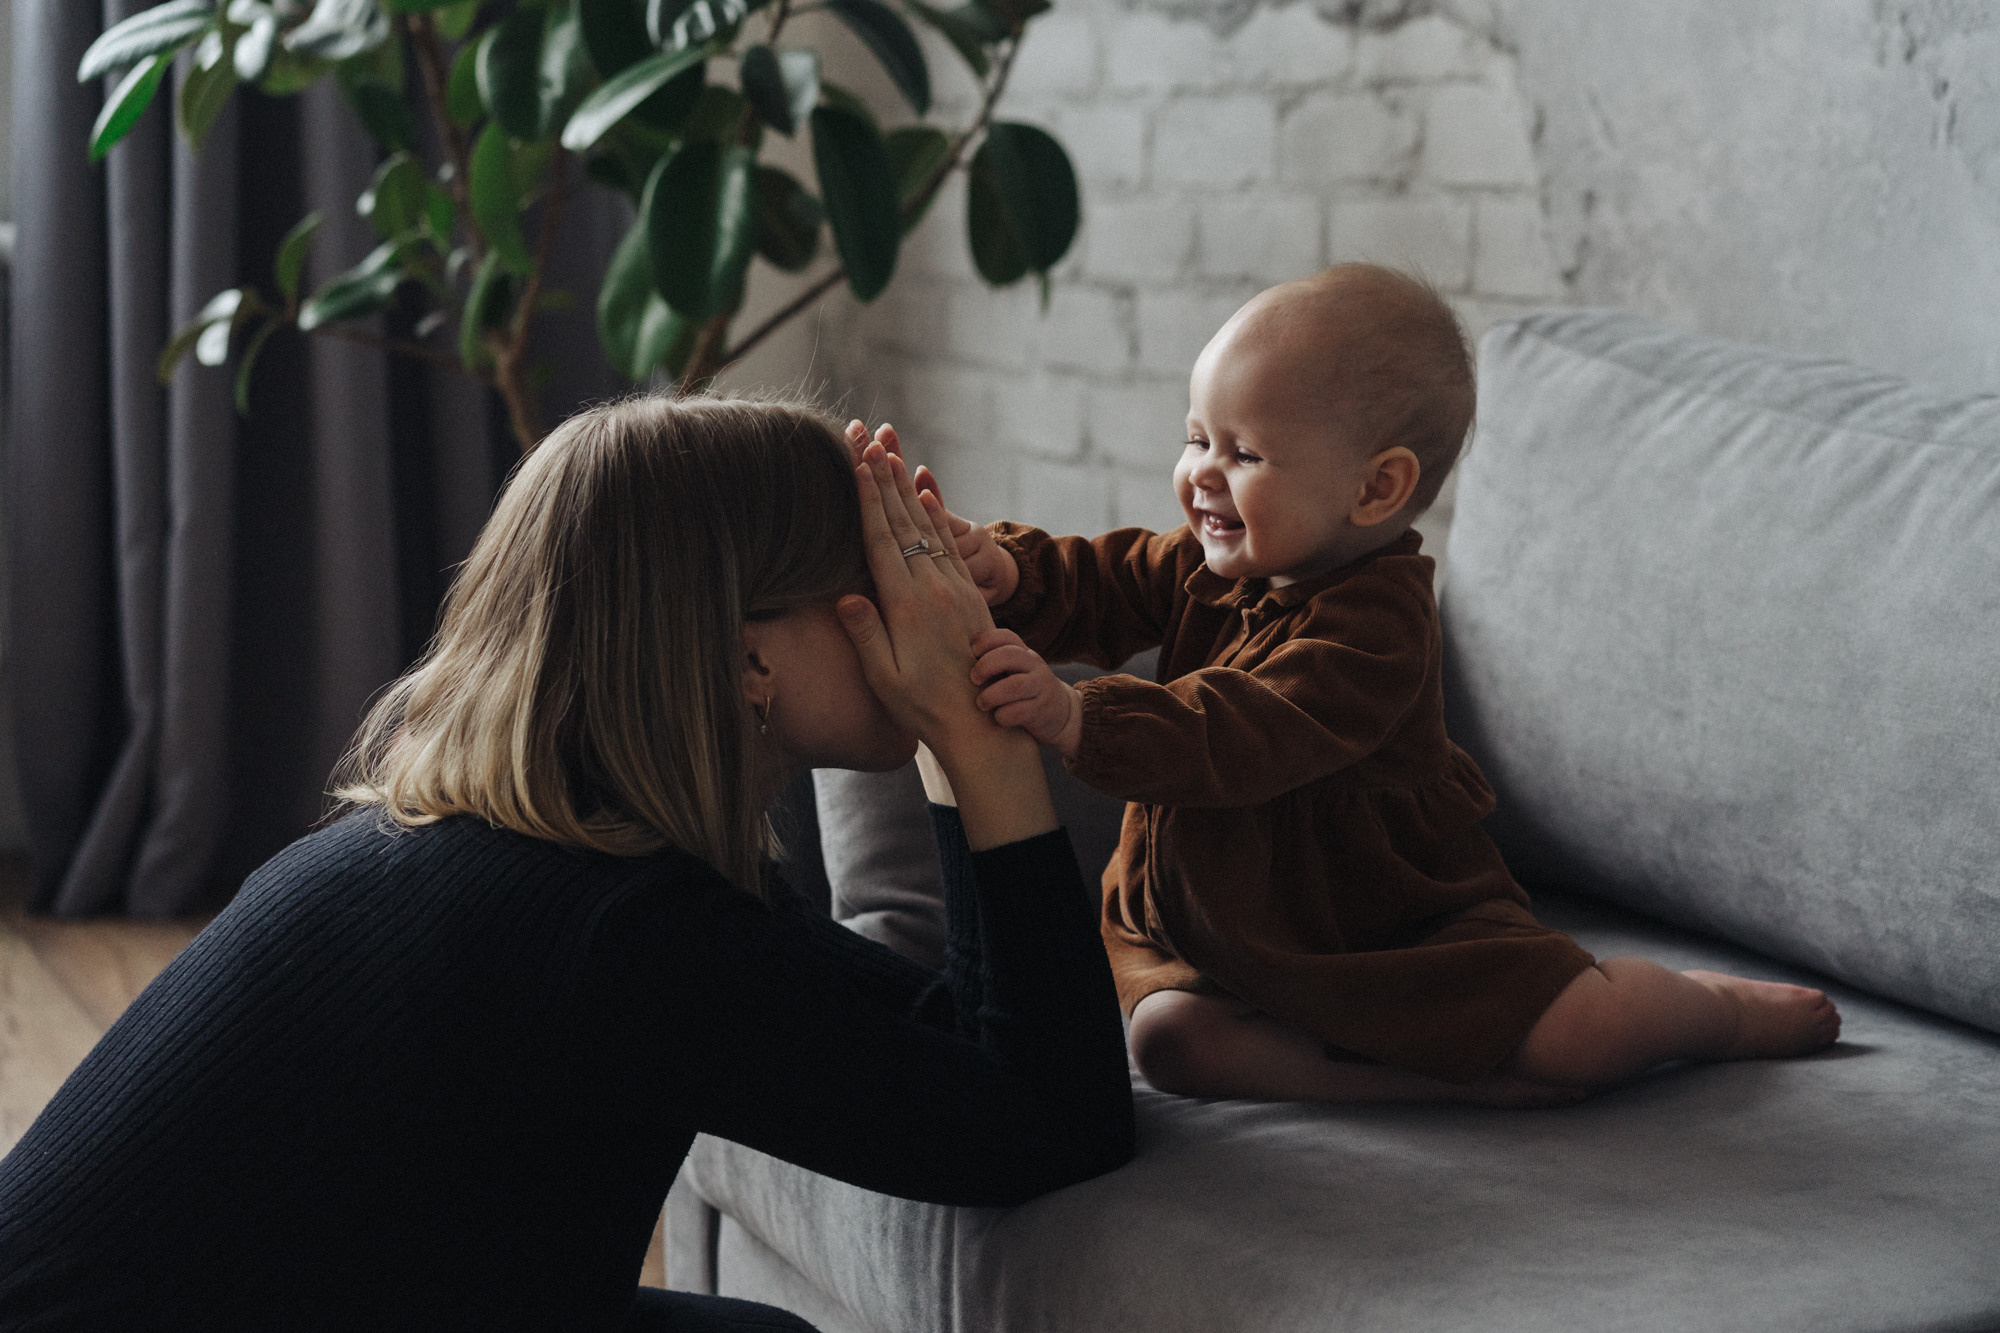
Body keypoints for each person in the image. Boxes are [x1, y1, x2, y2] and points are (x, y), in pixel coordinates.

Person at [0, 396, 1134, 1331]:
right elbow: (1050, 1123)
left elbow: (949, 1043)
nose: (926, 612)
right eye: (887, 582)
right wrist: (974, 740)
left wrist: (954, 718)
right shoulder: (622, 935)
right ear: (748, 658)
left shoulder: (534, 856)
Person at [915, 263, 1840, 1105]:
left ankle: (1707, 1010)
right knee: (1169, 1043)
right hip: (1224, 927)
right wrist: (1008, 570)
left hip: (1380, 920)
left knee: (1582, 1035)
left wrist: (1080, 716)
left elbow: (1249, 728)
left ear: (1375, 490)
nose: (1200, 474)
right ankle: (1444, 1086)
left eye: (1244, 454)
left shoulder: (1380, 626)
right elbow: (1105, 578)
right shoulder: (1214, 566)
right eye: (1197, 436)